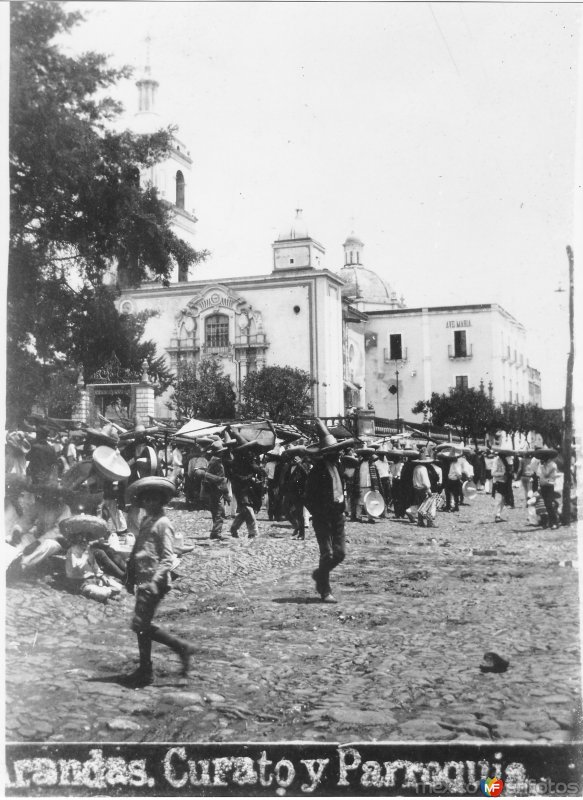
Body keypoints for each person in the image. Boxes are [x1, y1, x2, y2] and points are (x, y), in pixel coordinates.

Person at [123, 476, 195, 687]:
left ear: (161, 501)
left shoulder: (164, 524)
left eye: (155, 500)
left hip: (156, 581)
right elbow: (138, 548)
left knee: (140, 624)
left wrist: (154, 582)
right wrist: (129, 575)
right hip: (143, 579)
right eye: (147, 500)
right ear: (142, 502)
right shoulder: (146, 520)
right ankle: (148, 667)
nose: (150, 503)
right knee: (141, 626)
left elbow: (167, 558)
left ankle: (175, 650)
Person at [304, 419, 355, 603]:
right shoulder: (316, 472)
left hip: (338, 515)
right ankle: (325, 590)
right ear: (326, 454)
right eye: (334, 452)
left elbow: (341, 489)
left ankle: (319, 574)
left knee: (340, 553)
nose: (338, 454)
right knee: (327, 553)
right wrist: (319, 512)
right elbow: (308, 498)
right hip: (322, 517)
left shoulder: (338, 468)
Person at [229, 433, 264, 539]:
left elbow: (258, 470)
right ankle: (253, 532)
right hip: (240, 488)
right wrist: (251, 477)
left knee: (245, 510)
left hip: (249, 488)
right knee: (247, 509)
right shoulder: (235, 463)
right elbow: (236, 476)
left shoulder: (250, 459)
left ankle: (234, 528)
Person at [198, 439, 231, 540]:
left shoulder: (212, 460)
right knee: (219, 512)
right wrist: (226, 493)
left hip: (211, 489)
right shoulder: (218, 462)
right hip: (217, 489)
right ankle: (216, 532)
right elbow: (221, 480)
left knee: (215, 510)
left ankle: (215, 531)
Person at [282, 447, 309, 540]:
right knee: (286, 511)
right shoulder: (289, 466)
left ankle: (302, 533)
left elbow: (307, 475)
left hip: (298, 493)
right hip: (289, 492)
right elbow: (285, 479)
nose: (294, 459)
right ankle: (296, 525)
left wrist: (300, 464)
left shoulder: (303, 465)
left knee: (299, 513)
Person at [538, 450, 560, 529]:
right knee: (547, 505)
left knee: (549, 504)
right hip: (543, 486)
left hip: (549, 486)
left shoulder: (552, 465)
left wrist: (543, 467)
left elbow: (548, 475)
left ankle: (555, 522)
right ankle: (551, 521)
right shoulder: (543, 465)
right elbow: (541, 475)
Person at [492, 450, 514, 523]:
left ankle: (499, 514)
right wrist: (502, 474)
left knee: (504, 500)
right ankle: (497, 515)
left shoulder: (507, 460)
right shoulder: (496, 461)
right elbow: (493, 473)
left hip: (506, 482)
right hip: (499, 482)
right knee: (499, 499)